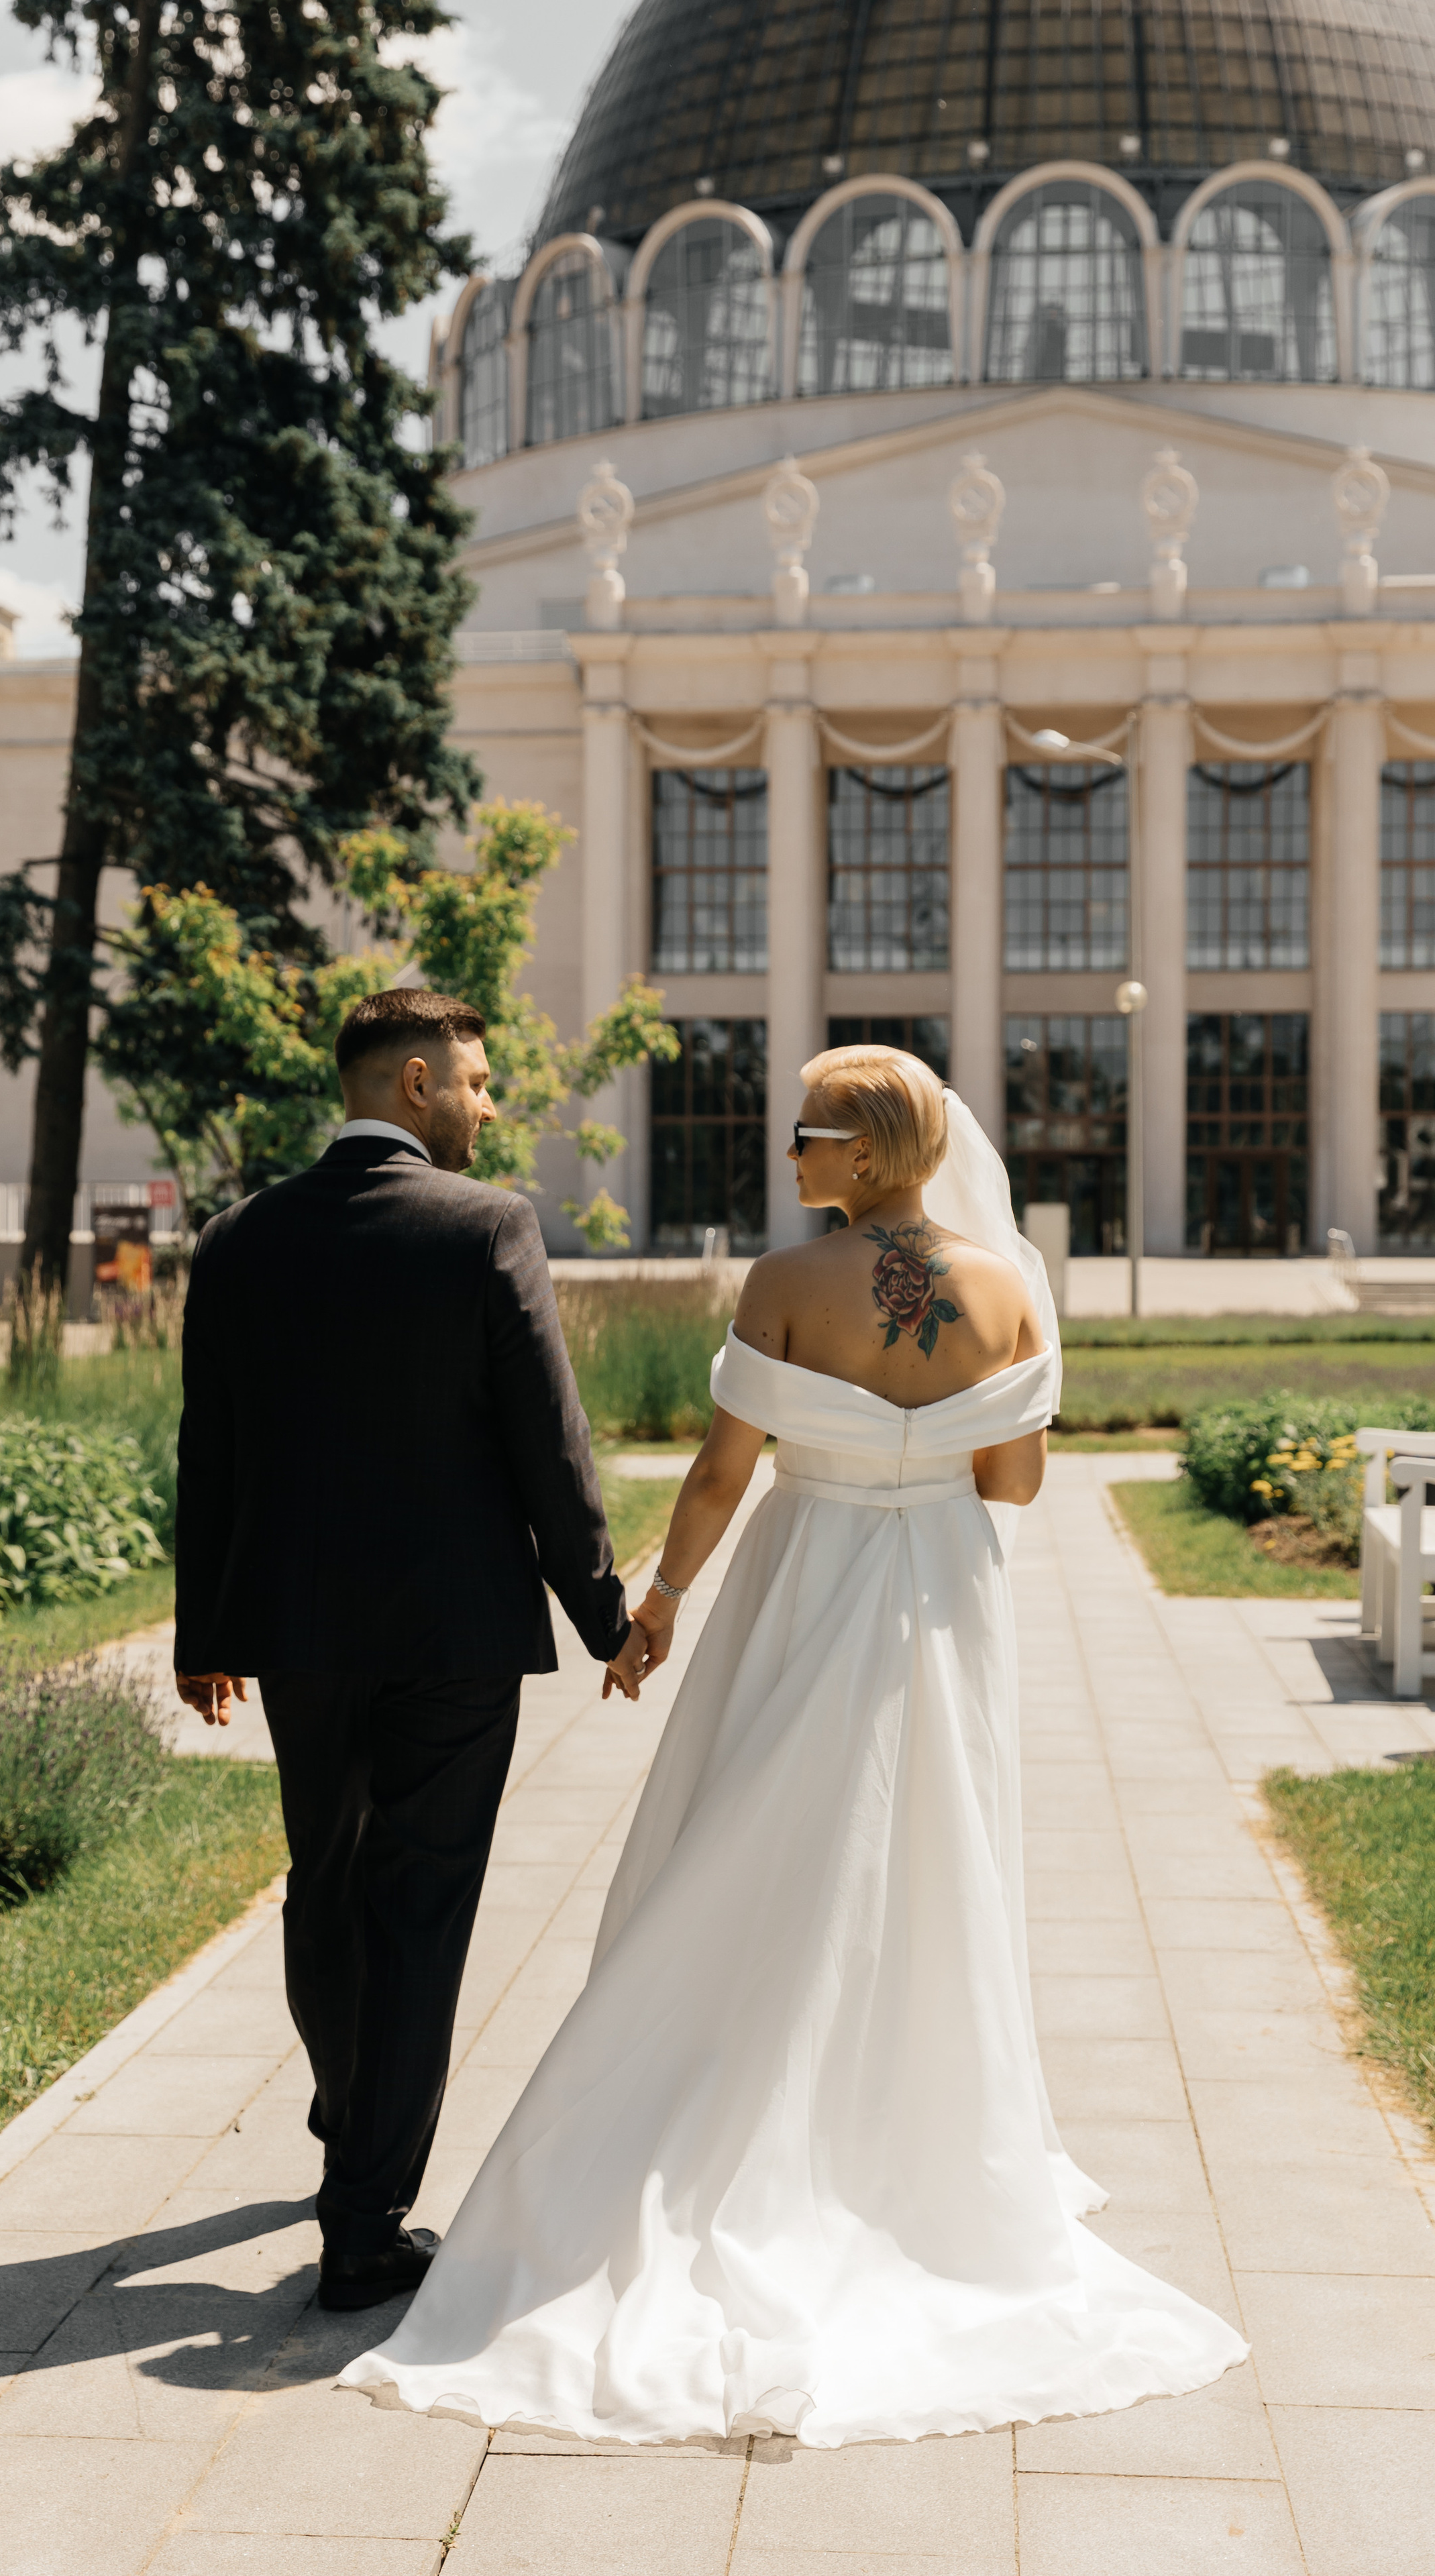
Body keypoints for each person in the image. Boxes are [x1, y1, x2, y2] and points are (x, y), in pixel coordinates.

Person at [340, 1045, 1248, 2445]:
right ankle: (906, 2110)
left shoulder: (781, 1284)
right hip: (940, 1587)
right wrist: (925, 1450)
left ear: (871, 1153)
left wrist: (658, 1605)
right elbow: (1010, 1482)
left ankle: (726, 2087)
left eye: (812, 1136)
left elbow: (721, 1468)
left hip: (803, 1571)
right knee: (927, 1848)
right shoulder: (1007, 1290)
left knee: (753, 1828)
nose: (790, 1157)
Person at [174, 987, 639, 2314]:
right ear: (418, 1083)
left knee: (322, 1875)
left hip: (295, 1629)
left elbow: (213, 1448)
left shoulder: (238, 1238)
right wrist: (604, 1615)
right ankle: (364, 2224)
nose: (491, 1105)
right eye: (480, 1083)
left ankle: (346, 2115)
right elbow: (546, 1442)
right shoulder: (484, 1226)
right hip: (452, 1632)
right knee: (418, 1903)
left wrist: (203, 1631)